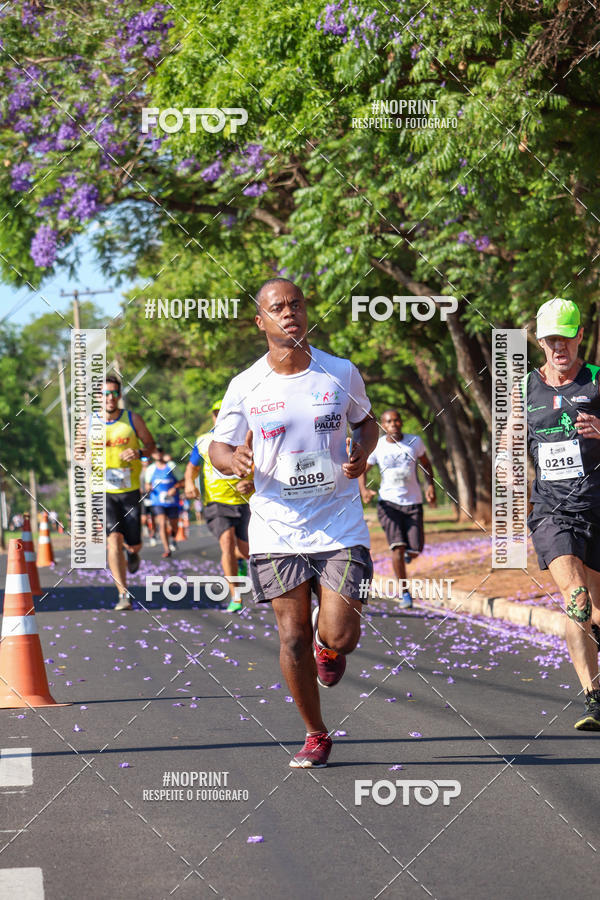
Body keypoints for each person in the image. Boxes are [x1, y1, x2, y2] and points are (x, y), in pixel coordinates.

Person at [209, 277, 379, 768]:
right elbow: (218, 445)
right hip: (276, 525)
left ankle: (333, 649)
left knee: (340, 634)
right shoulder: (245, 385)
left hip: (339, 521)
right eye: (277, 308)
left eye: (297, 304)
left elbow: (365, 422)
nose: (290, 313)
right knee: (291, 636)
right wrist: (232, 461)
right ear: (261, 321)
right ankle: (315, 733)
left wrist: (361, 452)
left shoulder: (340, 372)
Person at [521, 298, 600, 729]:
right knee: (576, 600)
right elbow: (510, 450)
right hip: (554, 513)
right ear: (539, 340)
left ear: (580, 336)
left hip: (598, 509)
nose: (559, 348)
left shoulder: (598, 382)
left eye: (566, 338)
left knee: (596, 612)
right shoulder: (524, 390)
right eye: (551, 340)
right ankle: (595, 700)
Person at [78, 375, 155, 610]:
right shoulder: (88, 423)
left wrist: (138, 453)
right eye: (104, 394)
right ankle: (123, 594)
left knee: (133, 542)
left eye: (113, 393)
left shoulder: (133, 420)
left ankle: (133, 554)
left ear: (119, 396)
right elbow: (78, 453)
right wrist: (85, 458)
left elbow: (151, 446)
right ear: (97, 398)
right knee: (113, 539)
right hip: (102, 491)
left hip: (130, 490)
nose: (109, 398)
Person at [359, 409, 436, 608]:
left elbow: (426, 465)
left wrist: (430, 486)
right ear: (383, 426)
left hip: (413, 502)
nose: (393, 424)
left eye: (396, 420)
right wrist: (364, 491)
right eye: (388, 422)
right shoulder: (377, 447)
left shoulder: (415, 442)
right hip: (388, 503)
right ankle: (405, 592)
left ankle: (410, 555)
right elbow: (363, 470)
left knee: (416, 548)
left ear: (401, 423)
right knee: (397, 547)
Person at [185, 399, 253, 613]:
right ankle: (235, 595)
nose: (221, 417)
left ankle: (241, 562)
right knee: (226, 543)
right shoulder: (204, 441)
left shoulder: (249, 438)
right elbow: (192, 468)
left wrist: (252, 484)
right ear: (213, 417)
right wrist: (189, 483)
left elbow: (264, 467)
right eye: (217, 413)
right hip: (216, 501)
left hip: (245, 502)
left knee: (246, 550)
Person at [145, 445, 185, 558]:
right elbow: (147, 485)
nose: (158, 453)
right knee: (161, 524)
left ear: (163, 453)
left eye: (160, 451)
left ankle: (173, 537)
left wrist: (175, 488)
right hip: (157, 501)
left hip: (172, 501)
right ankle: (167, 549)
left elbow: (183, 482)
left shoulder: (171, 466)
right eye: (155, 452)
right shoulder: (151, 469)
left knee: (174, 526)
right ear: (152, 455)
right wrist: (148, 488)